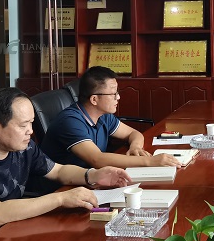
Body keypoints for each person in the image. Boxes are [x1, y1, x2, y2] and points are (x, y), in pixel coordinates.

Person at [0, 87, 131, 238]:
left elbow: (57, 171)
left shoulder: (22, 146)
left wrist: (93, 175)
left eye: (31, 123)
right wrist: (61, 198)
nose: (31, 131)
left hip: (17, 228)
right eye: (23, 125)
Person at [42, 66, 180, 169]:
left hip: (90, 178)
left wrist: (135, 147)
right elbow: (97, 159)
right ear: (94, 99)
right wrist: (150, 161)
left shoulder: (103, 115)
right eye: (113, 94)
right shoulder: (70, 122)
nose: (118, 97)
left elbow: (133, 133)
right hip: (61, 189)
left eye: (117, 92)